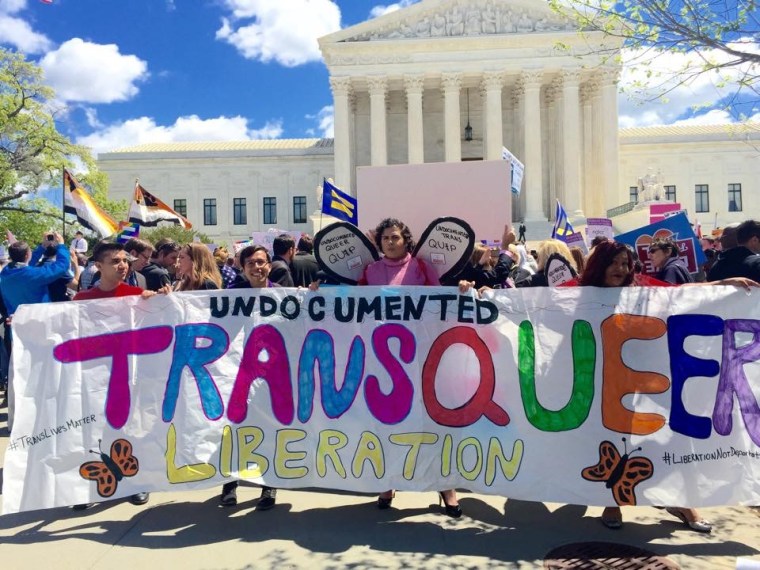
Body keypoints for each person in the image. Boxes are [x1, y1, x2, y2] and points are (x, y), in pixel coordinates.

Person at [578, 240, 756, 532]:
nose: (621, 269)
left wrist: (723, 284)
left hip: (652, 379)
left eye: (625, 263)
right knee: (613, 438)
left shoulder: (640, 289)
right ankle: (613, 502)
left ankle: (683, 503)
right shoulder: (580, 293)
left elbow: (679, 294)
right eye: (614, 263)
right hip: (608, 382)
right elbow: (534, 304)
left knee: (672, 437)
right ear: (600, 265)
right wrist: (485, 296)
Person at [357, 218, 462, 517]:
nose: (390, 242)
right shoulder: (371, 272)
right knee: (387, 423)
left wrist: (463, 289)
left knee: (431, 423)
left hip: (422, 357)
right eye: (385, 238)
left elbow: (442, 303)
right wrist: (318, 292)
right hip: (385, 361)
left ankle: (446, 488)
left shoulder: (421, 267)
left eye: (395, 237)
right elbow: (352, 306)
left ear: (406, 240)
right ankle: (388, 483)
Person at [72, 240, 169, 509]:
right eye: (115, 261)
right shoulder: (81, 301)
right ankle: (94, 485)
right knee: (94, 431)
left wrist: (161, 300)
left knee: (132, 430)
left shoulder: (138, 295)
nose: (123, 265)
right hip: (95, 377)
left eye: (125, 260)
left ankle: (136, 483)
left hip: (130, 378)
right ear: (98, 266)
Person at [219, 245, 279, 511]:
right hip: (238, 373)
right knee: (233, 430)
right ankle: (231, 482)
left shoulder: (284, 294)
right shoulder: (230, 297)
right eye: (251, 264)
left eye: (262, 262)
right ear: (242, 268)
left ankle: (269, 485)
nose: (258, 267)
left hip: (273, 376)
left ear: (269, 264)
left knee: (269, 429)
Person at [0, 233, 71, 429]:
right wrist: (62, 246)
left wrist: (40, 247)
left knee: (17, 375)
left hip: (17, 329)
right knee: (44, 374)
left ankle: (13, 421)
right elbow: (62, 267)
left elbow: (26, 266)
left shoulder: (5, 274)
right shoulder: (33, 276)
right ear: (28, 255)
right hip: (40, 329)